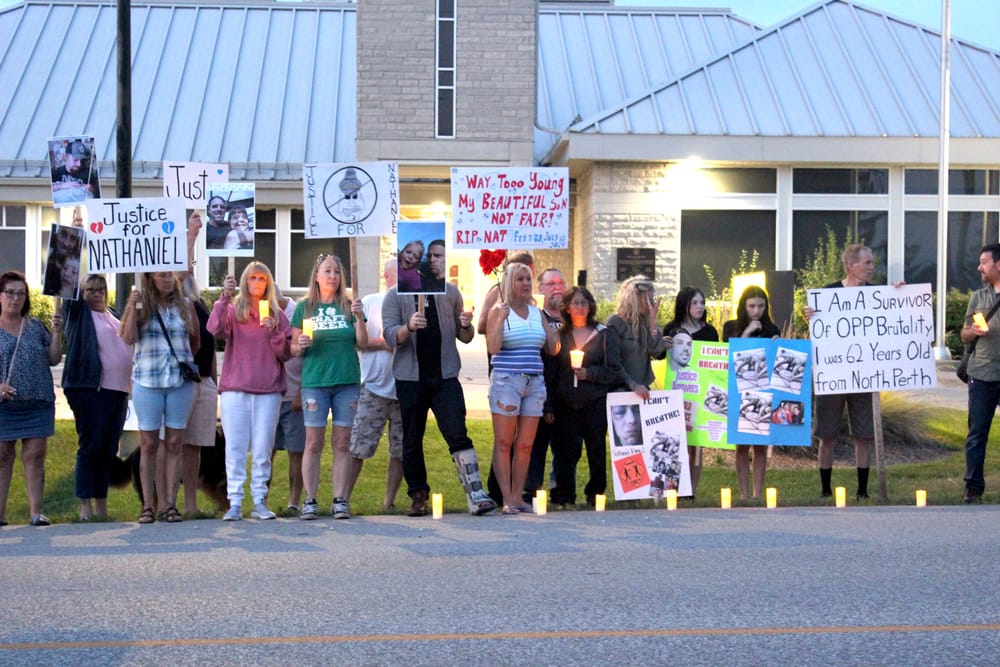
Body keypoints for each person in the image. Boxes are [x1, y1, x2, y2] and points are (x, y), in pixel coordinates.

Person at [382, 260, 497, 517]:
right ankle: (418, 495)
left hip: (444, 376)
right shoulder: (394, 296)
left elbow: (464, 337)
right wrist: (408, 327)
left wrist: (466, 324)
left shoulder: (450, 293)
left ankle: (475, 493)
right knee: (411, 437)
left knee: (457, 431)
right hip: (410, 378)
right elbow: (390, 336)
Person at [209, 263, 290, 521]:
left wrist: (274, 332)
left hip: (268, 389)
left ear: (269, 282)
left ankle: (259, 500)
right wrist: (224, 297)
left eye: (262, 278)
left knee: (263, 446)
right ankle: (234, 501)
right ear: (245, 281)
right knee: (234, 446)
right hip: (236, 388)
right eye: (252, 277)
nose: (257, 282)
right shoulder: (234, 310)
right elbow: (214, 329)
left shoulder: (278, 314)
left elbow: (286, 353)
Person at [290, 254, 367, 520]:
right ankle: (310, 499)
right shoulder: (305, 308)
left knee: (342, 442)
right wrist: (299, 344)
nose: (332, 276)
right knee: (313, 442)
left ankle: (339, 499)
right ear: (316, 276)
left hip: (346, 381)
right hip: (315, 382)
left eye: (336, 271)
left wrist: (359, 318)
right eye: (327, 271)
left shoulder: (349, 305)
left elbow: (363, 343)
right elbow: (292, 348)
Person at [120, 272, 200, 524]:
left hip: (179, 382)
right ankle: (148, 505)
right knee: (149, 444)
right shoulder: (141, 303)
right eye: (161, 275)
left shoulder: (185, 304)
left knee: (176, 441)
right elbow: (129, 338)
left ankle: (170, 504)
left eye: (170, 275)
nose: (167, 280)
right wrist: (133, 306)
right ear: (150, 277)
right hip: (147, 381)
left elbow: (195, 340)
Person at [486, 262, 560, 515]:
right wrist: (500, 320)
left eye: (528, 279)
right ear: (509, 283)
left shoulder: (537, 313)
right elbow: (493, 348)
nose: (526, 284)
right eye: (520, 279)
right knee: (504, 441)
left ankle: (518, 496)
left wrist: (550, 322)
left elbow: (553, 349)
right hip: (507, 381)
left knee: (526, 444)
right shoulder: (499, 311)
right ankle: (506, 497)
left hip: (535, 381)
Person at [803, 244, 877, 500]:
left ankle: (863, 490)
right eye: (867, 263)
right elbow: (818, 330)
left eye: (871, 263)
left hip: (863, 374)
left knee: (864, 434)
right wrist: (810, 317)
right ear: (851, 265)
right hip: (833, 373)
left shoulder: (877, 294)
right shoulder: (829, 293)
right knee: (827, 433)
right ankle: (825, 489)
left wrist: (900, 295)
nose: (871, 267)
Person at [62, 274, 132, 521]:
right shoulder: (78, 314)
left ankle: (101, 505)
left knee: (108, 448)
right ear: (81, 292)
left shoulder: (112, 314)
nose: (96, 293)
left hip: (118, 390)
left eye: (100, 289)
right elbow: (65, 283)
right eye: (90, 289)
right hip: (91, 389)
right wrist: (75, 238)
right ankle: (85, 506)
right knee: (91, 446)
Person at [548, 286, 624, 508]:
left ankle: (596, 493)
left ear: (590, 306)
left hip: (594, 401)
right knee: (565, 452)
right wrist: (549, 405)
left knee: (596, 449)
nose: (580, 307)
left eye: (584, 303)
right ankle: (564, 495)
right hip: (565, 402)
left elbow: (614, 370)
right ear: (567, 308)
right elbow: (551, 374)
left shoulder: (603, 334)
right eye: (575, 303)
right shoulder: (560, 336)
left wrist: (589, 374)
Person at [0, 272, 62, 526]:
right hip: (5, 406)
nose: (15, 298)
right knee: (2, 456)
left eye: (21, 293)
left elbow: (54, 358)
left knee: (35, 455)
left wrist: (57, 332)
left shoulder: (35, 326)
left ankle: (36, 512)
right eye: (10, 293)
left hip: (38, 401)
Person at [344, 259, 404, 513]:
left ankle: (388, 502)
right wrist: (387, 342)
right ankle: (343, 499)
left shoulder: (411, 304)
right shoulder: (370, 302)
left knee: (400, 450)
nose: (402, 278)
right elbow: (360, 341)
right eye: (397, 273)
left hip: (404, 388)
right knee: (358, 447)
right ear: (386, 275)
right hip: (373, 387)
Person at [176, 213, 218, 517]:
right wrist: (191, 236)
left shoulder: (200, 304)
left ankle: (190, 502)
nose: (190, 271)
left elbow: (212, 346)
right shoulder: (173, 300)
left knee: (195, 446)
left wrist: (214, 382)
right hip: (179, 382)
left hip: (204, 381)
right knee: (174, 443)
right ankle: (168, 501)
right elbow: (180, 272)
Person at [723, 285, 780, 501]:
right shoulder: (730, 327)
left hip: (763, 391)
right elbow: (727, 354)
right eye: (752, 306)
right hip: (739, 390)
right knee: (741, 445)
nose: (756, 311)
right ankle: (744, 494)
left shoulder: (771, 329)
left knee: (760, 446)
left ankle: (757, 494)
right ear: (743, 307)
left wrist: (777, 345)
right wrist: (746, 333)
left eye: (761, 306)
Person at [663, 285, 719, 496]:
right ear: (684, 304)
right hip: (676, 391)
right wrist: (663, 345)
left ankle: (691, 491)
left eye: (702, 302)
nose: (700, 306)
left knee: (696, 445)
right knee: (677, 442)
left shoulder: (710, 331)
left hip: (701, 391)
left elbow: (715, 360)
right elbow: (658, 357)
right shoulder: (671, 329)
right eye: (695, 302)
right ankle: (674, 488)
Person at [958, 243, 1000, 504]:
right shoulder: (978, 297)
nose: (979, 267)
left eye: (984, 262)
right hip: (982, 373)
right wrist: (973, 331)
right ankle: (972, 487)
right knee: (976, 434)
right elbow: (963, 335)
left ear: (998, 264)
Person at [271, 285, 306, 514]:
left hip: (294, 395)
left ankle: (294, 502)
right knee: (265, 452)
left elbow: (309, 356)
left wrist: (302, 392)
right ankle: (260, 500)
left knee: (297, 451)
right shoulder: (263, 315)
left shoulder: (300, 314)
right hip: (268, 395)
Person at [606, 275, 667, 400]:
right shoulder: (615, 323)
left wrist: (653, 321)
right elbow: (612, 361)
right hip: (621, 389)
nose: (652, 303)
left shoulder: (646, 322)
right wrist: (632, 385)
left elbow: (656, 351)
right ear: (635, 299)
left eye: (652, 298)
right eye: (649, 299)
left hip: (643, 388)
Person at [51, 139, 99, 203]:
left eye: (81, 160)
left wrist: (91, 189)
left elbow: (97, 195)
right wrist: (61, 186)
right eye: (75, 160)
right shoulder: (56, 173)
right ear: (66, 156)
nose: (79, 164)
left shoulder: (88, 173)